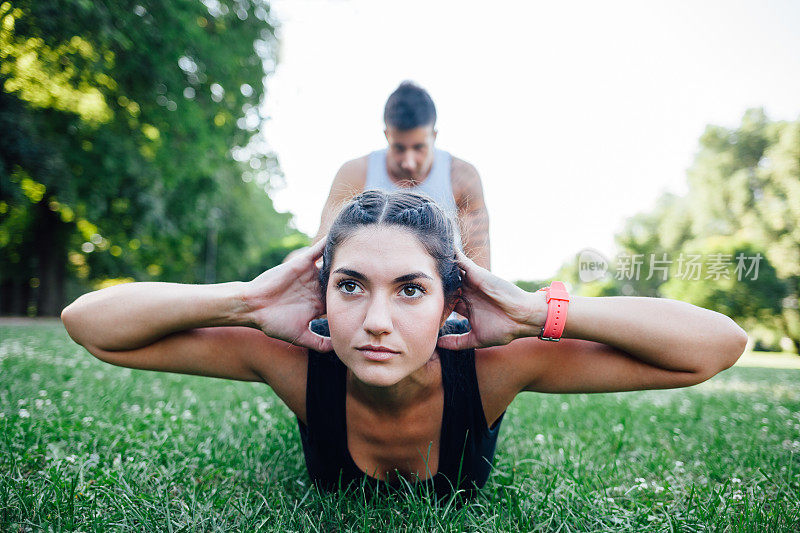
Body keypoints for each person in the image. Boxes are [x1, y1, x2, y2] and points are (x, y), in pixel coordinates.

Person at [60, 190, 748, 501]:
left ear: (452, 302)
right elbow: (91, 322)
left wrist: (541, 311)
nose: (376, 320)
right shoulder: (290, 360)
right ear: (321, 295)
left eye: (411, 289)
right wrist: (243, 300)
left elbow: (715, 346)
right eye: (352, 286)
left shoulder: (493, 369)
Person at [284, 81, 492, 270]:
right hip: (370, 273)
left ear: (434, 136)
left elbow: (479, 263)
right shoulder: (355, 173)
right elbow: (323, 246)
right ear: (387, 135)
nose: (408, 161)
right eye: (399, 148)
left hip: (434, 280)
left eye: (419, 147)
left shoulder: (462, 177)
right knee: (293, 260)